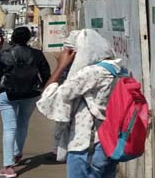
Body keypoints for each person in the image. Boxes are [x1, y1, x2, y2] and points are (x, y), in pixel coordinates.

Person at [37, 29, 123, 178]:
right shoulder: (114, 68)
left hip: (86, 145)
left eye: (70, 52)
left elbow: (50, 97)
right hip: (108, 141)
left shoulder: (91, 73)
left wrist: (61, 66)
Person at [0, 27, 51, 178]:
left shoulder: (4, 54)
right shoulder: (37, 54)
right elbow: (46, 74)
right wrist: (42, 90)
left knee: (9, 128)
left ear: (13, 38)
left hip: (8, 94)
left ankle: (8, 166)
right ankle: (17, 154)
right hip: (31, 94)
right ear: (29, 38)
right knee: (23, 124)